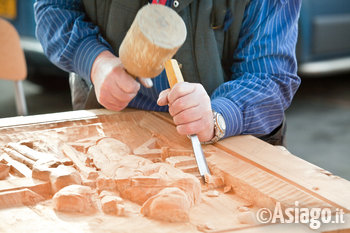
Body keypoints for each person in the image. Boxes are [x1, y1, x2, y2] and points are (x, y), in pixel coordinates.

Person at [34, 0, 301, 145]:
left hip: (226, 143)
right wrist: (94, 60)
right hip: (111, 133)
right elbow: (54, 9)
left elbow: (270, 75)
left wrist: (217, 117)